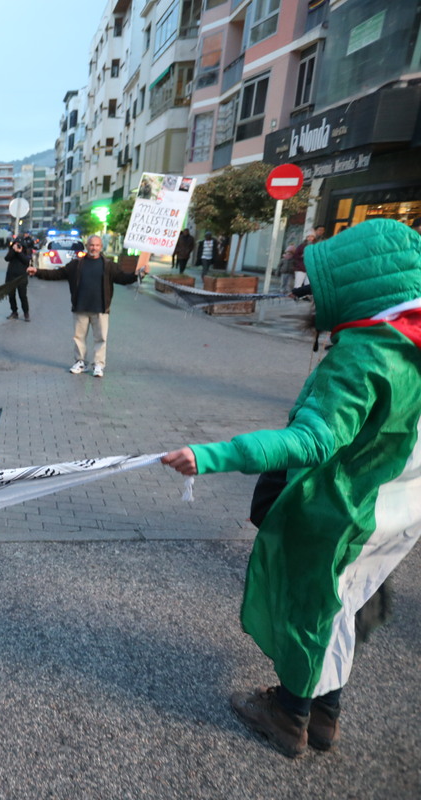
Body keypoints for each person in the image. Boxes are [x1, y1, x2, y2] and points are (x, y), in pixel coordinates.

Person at [161, 219, 421, 759]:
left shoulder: (364, 355)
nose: (311, 296)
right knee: (340, 605)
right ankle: (325, 716)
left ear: (357, 283)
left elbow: (312, 440)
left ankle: (288, 715)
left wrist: (209, 457)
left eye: (320, 282)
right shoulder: (411, 344)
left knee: (310, 607)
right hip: (389, 509)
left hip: (337, 507)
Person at [29, 234, 143, 378]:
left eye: (96, 245)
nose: (93, 248)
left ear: (101, 247)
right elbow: (57, 274)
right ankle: (80, 362)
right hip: (80, 307)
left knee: (101, 338)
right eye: (91, 245)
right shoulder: (76, 264)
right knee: (79, 338)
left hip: (101, 308)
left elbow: (123, 278)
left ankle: (98, 365)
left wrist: (137, 275)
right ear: (87, 246)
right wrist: (37, 271)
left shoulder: (109, 265)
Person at [3, 238, 32, 321]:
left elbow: (26, 261)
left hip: (21, 277)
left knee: (22, 296)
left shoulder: (26, 251)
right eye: (16, 244)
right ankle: (14, 312)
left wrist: (19, 252)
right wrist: (13, 250)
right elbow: (7, 258)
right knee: (11, 296)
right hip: (11, 277)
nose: (18, 245)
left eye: (19, 244)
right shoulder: (12, 251)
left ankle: (26, 313)